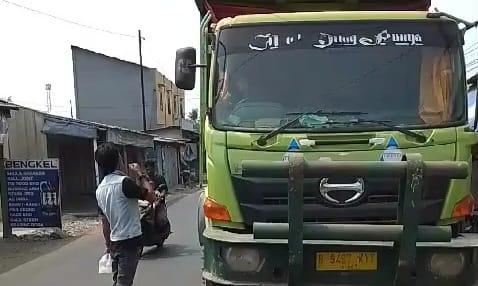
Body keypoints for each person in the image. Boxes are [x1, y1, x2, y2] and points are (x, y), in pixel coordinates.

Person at [95, 143, 155, 286]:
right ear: (118, 161)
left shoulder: (100, 190)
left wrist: (108, 246)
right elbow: (151, 196)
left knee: (119, 281)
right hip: (131, 241)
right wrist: (140, 174)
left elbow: (105, 223)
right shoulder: (124, 183)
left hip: (115, 242)